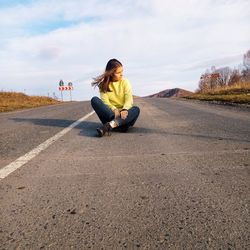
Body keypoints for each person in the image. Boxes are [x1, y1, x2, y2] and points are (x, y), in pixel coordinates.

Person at [91, 59, 140, 137]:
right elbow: (105, 101)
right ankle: (112, 123)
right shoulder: (103, 85)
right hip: (111, 116)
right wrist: (114, 109)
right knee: (94, 100)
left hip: (124, 118)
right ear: (111, 73)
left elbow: (128, 98)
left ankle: (110, 126)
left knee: (136, 109)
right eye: (118, 72)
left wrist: (124, 109)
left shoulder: (125, 82)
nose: (121, 74)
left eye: (122, 71)